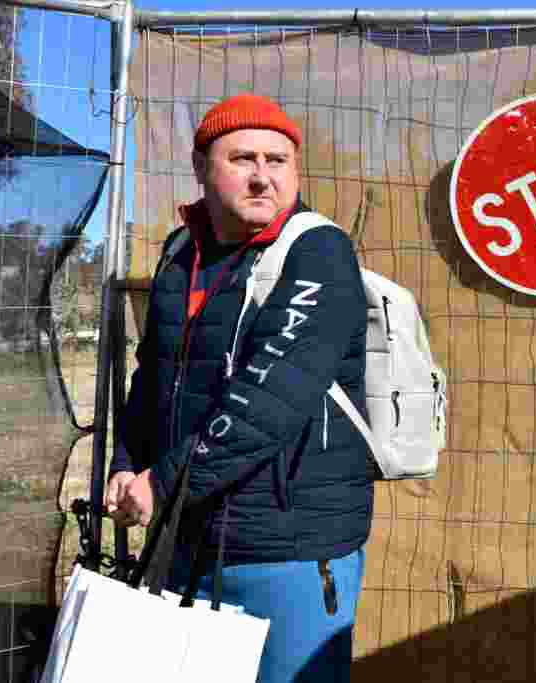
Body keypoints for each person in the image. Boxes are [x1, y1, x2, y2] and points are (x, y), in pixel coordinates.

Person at [104, 92, 375, 682]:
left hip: (290, 550)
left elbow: (269, 399)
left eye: (277, 161)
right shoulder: (181, 255)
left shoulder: (317, 252)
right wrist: (128, 462)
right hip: (186, 540)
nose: (261, 177)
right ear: (201, 168)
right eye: (242, 159)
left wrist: (163, 483)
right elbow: (151, 377)